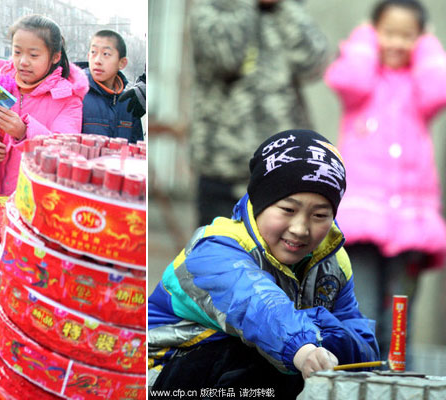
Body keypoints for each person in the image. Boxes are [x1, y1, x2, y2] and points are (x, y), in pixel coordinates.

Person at [148, 130, 379, 399]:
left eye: (319, 215)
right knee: (255, 357)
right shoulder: (214, 248)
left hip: (256, 381)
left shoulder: (333, 260)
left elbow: (363, 348)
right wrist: (306, 344)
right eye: (288, 210)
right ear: (260, 202)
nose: (301, 228)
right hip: (161, 378)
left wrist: (316, 339)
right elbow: (256, 305)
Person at [324, 0, 446, 359]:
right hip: (361, 218)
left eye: (408, 36)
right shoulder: (363, 79)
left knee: (399, 315)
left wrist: (428, 49)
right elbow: (347, 79)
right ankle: (359, 378)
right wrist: (363, 41)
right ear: (373, 32)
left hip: (411, 221)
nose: (397, 43)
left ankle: (395, 383)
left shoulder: (420, 83)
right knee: (361, 309)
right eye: (388, 33)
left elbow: (438, 92)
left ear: (421, 40)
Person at [189, 0, 328, 228]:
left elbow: (313, 63)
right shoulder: (213, 8)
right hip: (224, 168)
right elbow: (225, 57)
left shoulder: (287, 10)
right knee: (221, 255)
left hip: (284, 167)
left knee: (279, 260)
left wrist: (286, 8)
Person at [0, 14, 89, 196]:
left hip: (38, 201)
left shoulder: (68, 98)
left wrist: (24, 132)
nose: (23, 61)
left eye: (33, 55)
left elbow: (64, 151)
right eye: (17, 52)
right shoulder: (2, 85)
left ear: (55, 57)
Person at [81, 30, 144, 143]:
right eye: (93, 52)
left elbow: (136, 147)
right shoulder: (78, 94)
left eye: (106, 54)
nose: (97, 61)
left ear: (122, 63)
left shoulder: (130, 102)